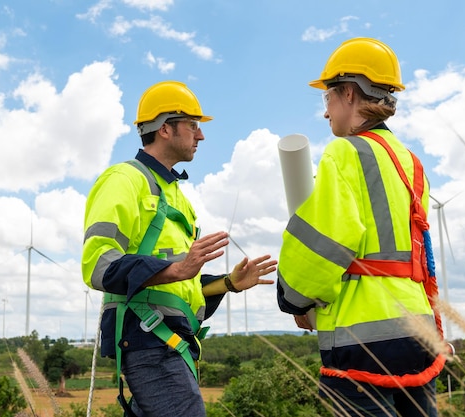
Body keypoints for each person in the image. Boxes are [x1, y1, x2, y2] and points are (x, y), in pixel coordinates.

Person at [82, 80, 277, 417]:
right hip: (150, 340)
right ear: (165, 129)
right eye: (193, 125)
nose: (200, 136)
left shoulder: (176, 197)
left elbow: (180, 283)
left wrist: (228, 283)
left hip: (172, 342)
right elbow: (99, 265)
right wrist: (175, 269)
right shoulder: (124, 180)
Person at [276, 38, 445, 416]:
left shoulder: (346, 152)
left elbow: (324, 242)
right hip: (418, 331)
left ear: (349, 94)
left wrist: (294, 298)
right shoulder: (410, 162)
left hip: (363, 338)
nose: (325, 113)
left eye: (328, 99)